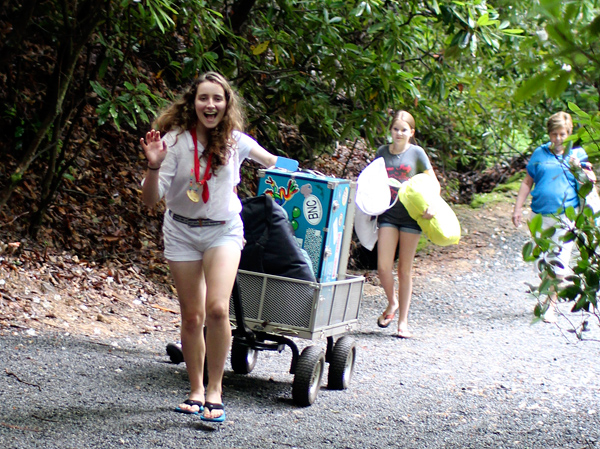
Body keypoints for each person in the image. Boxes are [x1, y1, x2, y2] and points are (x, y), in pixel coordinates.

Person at [140, 72, 277, 422]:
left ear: (226, 104)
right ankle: (196, 390)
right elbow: (149, 201)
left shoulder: (235, 142)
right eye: (204, 98)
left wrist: (297, 179)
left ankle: (215, 390)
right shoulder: (174, 143)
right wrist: (153, 166)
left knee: (217, 309)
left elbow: (272, 162)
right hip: (182, 231)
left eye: (217, 98)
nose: (210, 105)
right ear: (193, 103)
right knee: (192, 315)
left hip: (224, 231)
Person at [512, 111, 594, 323]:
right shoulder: (539, 154)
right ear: (549, 134)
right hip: (539, 214)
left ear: (569, 133)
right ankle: (553, 289)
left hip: (565, 216)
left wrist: (578, 168)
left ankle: (549, 305)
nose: (558, 139)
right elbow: (527, 182)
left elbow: (589, 183)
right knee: (541, 261)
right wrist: (517, 208)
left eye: (562, 134)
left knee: (557, 260)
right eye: (554, 134)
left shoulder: (578, 154)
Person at [374, 110, 438, 338]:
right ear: (390, 130)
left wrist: (432, 204)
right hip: (389, 214)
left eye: (404, 130)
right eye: (395, 129)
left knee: (404, 270)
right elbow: (372, 180)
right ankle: (392, 303)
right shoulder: (382, 152)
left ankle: (403, 322)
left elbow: (434, 183)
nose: (399, 133)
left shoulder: (417, 153)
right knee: (383, 266)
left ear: (411, 132)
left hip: (413, 215)